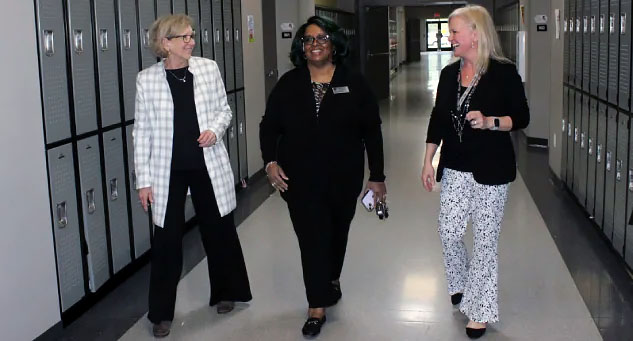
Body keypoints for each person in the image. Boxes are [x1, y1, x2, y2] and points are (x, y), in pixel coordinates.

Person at [259, 16, 386, 338]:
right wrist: (270, 162)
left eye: (322, 39)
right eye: (308, 40)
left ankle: (331, 277)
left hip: (343, 176)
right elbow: (268, 126)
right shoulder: (289, 83)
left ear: (335, 45)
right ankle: (316, 305)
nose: (315, 45)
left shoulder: (353, 82)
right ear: (301, 48)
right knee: (312, 239)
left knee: (336, 233)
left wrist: (377, 176)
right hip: (298, 179)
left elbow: (372, 131)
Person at [133, 14, 252, 338]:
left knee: (219, 230)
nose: (191, 41)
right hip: (167, 171)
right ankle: (161, 314)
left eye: (192, 35)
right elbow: (141, 132)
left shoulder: (207, 68)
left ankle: (226, 292)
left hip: (206, 164)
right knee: (167, 242)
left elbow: (224, 110)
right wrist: (143, 180)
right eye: (184, 37)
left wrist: (215, 130)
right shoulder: (147, 79)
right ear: (165, 43)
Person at [420, 5, 529, 339]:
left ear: (475, 34)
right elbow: (439, 118)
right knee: (448, 231)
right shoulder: (449, 74)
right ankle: (462, 282)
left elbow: (521, 118)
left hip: (492, 170)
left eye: (454, 32)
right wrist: (428, 159)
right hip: (455, 166)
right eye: (449, 32)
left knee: (484, 241)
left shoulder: (504, 73)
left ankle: (479, 309)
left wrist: (491, 122)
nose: (449, 37)